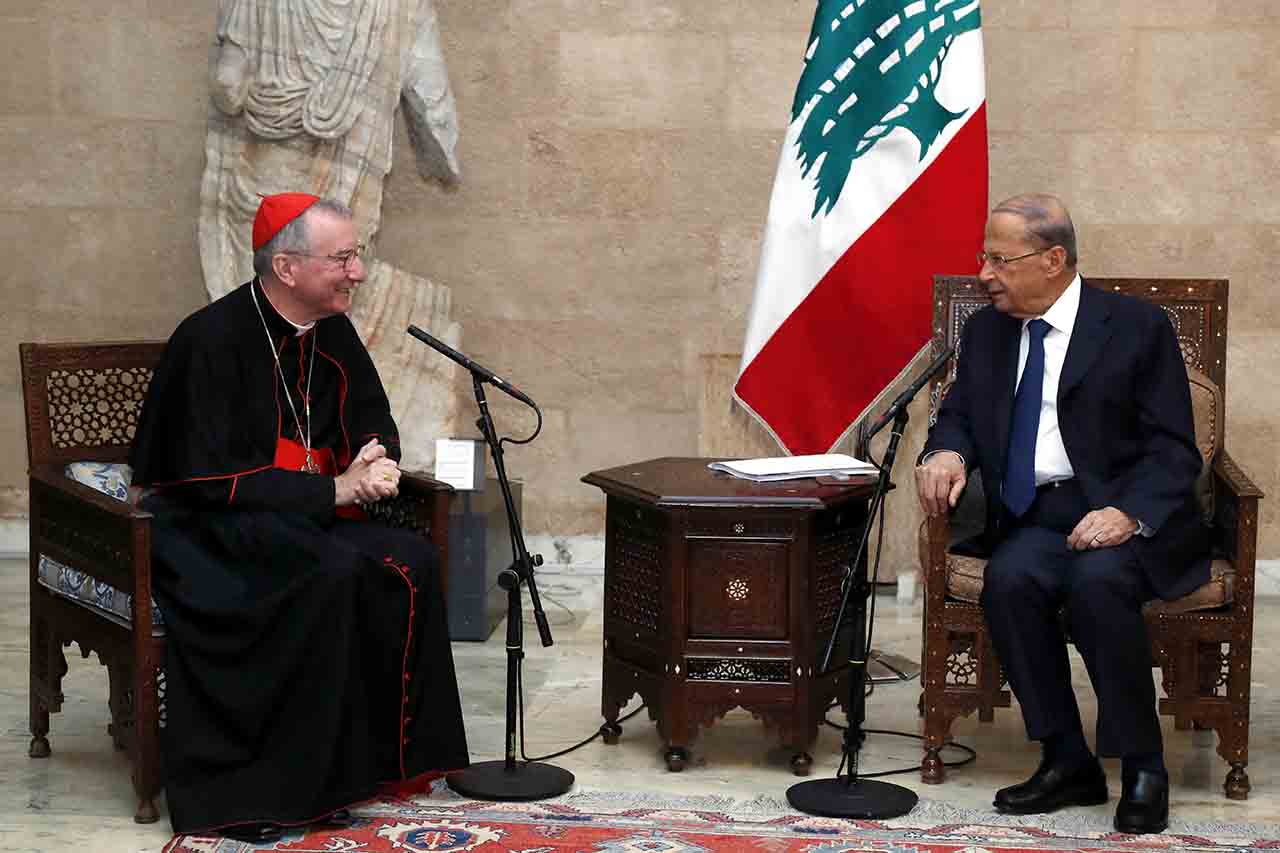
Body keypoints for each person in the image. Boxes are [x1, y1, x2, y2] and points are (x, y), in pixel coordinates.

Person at [130, 193, 469, 841]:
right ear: (287, 268)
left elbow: (372, 415)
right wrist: (335, 490)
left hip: (303, 515)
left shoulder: (332, 331)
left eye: (356, 255)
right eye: (342, 258)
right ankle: (265, 790)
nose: (358, 272)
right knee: (323, 573)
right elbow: (205, 478)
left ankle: (376, 765)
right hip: (211, 527)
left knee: (410, 561)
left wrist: (378, 462)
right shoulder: (209, 339)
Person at [915, 194, 1209, 835]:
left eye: (999, 259)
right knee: (1011, 581)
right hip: (1039, 514)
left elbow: (1172, 449)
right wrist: (945, 450)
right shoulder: (987, 329)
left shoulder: (1136, 327)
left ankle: (1142, 764)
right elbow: (960, 412)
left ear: (1053, 260)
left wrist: (1129, 513)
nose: (984, 273)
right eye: (982, 257)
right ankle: (1066, 759)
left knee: (1100, 586)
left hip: (1123, 512)